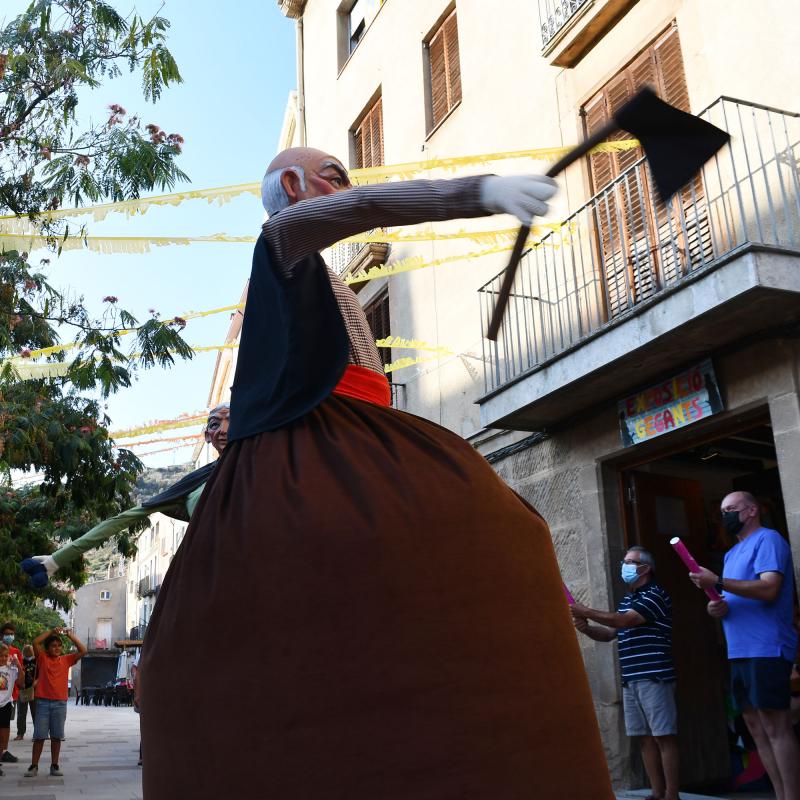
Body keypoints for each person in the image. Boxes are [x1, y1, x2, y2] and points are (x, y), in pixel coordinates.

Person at [140, 148, 614, 798]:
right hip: (325, 439)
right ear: (291, 184)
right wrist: (483, 192)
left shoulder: (308, 272)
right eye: (332, 174)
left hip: (371, 432)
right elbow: (363, 207)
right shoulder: (282, 240)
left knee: (505, 524)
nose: (347, 184)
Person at [21, 404, 230, 587]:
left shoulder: (258, 467)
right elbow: (123, 519)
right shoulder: (194, 483)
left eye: (233, 421)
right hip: (207, 568)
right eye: (214, 424)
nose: (223, 430)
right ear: (206, 436)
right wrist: (56, 559)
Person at [689, 491, 800, 800]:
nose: (724, 515)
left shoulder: (768, 539)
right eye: (722, 510)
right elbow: (733, 599)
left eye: (731, 509)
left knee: (775, 725)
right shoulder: (730, 555)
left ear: (751, 510)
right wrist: (718, 606)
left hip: (767, 646)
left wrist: (718, 583)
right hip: (738, 649)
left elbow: (768, 588)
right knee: (754, 726)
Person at [570, 546, 680, 800]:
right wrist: (586, 629)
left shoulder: (655, 595)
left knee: (663, 736)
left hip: (654, 675)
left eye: (630, 562)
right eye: (624, 561)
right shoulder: (628, 600)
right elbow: (609, 634)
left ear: (645, 568)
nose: (625, 566)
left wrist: (586, 611)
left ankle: (672, 796)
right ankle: (656, 793)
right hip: (631, 679)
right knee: (643, 738)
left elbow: (624, 621)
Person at [24, 627, 86, 778]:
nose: (57, 648)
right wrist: (51, 632)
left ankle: (54, 765)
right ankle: (34, 765)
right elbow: (35, 642)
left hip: (60, 703)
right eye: (53, 645)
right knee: (39, 736)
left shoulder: (66, 660)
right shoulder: (42, 657)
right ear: (47, 648)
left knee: (57, 736)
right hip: (43, 703)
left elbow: (83, 650)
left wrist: (70, 636)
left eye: (59, 645)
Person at [0, 644, 25, 778]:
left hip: (6, 704)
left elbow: (21, 683)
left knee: (4, 736)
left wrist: (19, 666)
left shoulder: (11, 668)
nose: (3, 658)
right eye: (0, 656)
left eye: (5, 656)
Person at [13, 645, 37, 741]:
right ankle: (20, 733)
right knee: (21, 713)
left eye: (30, 650)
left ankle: (38, 733)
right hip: (22, 689)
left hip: (34, 689)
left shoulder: (37, 661)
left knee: (36, 712)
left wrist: (36, 682)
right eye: (26, 650)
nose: (28, 652)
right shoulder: (21, 660)